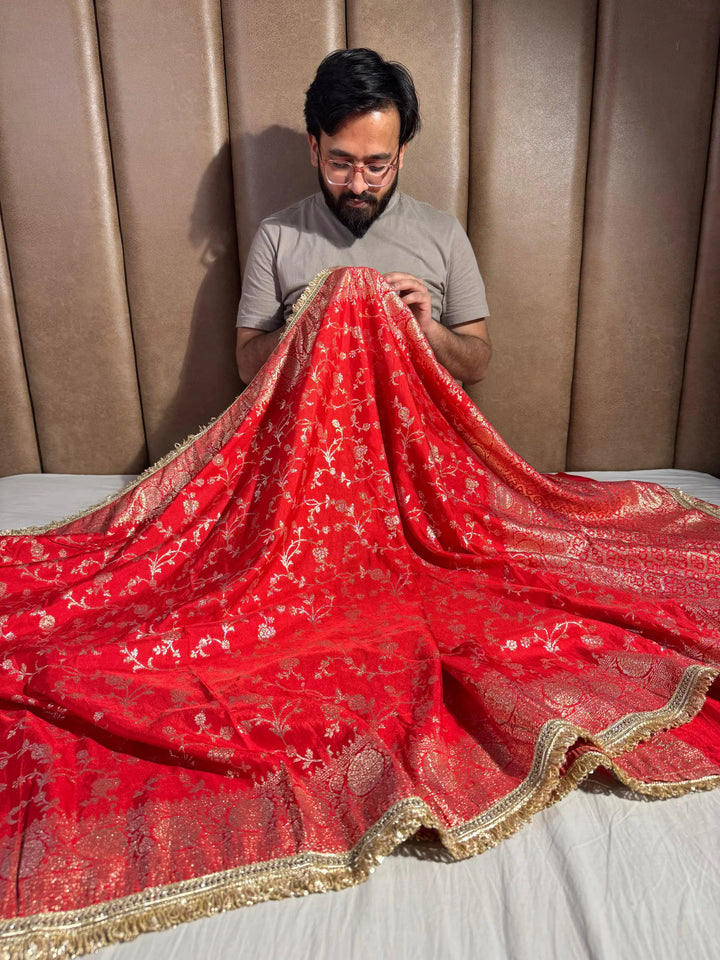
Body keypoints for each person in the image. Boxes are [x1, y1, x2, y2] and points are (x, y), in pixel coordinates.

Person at [235, 48, 492, 386]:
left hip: (416, 435)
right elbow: (246, 367)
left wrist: (428, 330)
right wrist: (308, 319)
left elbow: (476, 367)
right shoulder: (277, 235)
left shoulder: (444, 233)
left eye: (376, 167)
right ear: (315, 150)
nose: (357, 185)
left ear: (400, 155)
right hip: (314, 435)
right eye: (340, 164)